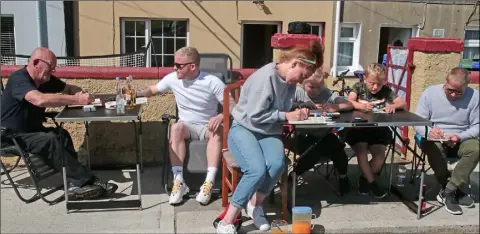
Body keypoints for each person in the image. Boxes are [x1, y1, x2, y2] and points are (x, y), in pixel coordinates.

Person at [216, 41, 324, 234]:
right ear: (295, 64)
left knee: (277, 164)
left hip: (268, 132)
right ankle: (227, 221)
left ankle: (255, 206)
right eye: (303, 76)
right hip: (244, 129)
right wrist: (286, 116)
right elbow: (255, 115)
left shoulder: (289, 81)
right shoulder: (265, 78)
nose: (301, 81)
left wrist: (312, 107)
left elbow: (299, 96)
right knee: (256, 170)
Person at [1, 47, 118, 200]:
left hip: (32, 132)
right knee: (49, 140)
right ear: (36, 63)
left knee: (61, 134)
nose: (53, 70)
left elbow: (68, 88)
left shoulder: (45, 79)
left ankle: (76, 182)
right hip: (11, 136)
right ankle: (85, 181)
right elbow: (39, 100)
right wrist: (76, 100)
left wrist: (80, 94)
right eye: (50, 66)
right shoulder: (19, 79)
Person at [136, 47, 227, 206]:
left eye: (179, 65)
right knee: (176, 127)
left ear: (192, 66)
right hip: (187, 126)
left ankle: (209, 182)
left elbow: (232, 106)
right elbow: (153, 90)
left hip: (207, 126)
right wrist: (132, 93)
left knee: (217, 130)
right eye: (174, 64)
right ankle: (179, 182)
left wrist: (220, 116)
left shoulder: (212, 82)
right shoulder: (173, 78)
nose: (174, 68)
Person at [414, 67, 479, 215]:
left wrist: (459, 137)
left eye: (459, 92)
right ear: (446, 80)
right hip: (435, 138)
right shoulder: (430, 93)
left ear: (467, 86)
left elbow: (477, 126)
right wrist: (430, 131)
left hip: (461, 138)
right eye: (450, 90)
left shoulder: (475, 97)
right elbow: (418, 122)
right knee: (434, 146)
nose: (454, 95)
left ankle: (449, 190)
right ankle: (450, 187)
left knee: (476, 148)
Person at [346, 63, 405, 198]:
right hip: (358, 128)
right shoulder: (358, 87)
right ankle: (373, 184)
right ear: (365, 79)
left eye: (378, 84)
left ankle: (364, 179)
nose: (375, 87)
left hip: (378, 129)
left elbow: (402, 102)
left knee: (379, 157)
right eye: (372, 83)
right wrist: (360, 106)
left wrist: (393, 106)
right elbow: (349, 102)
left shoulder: (385, 90)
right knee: (361, 153)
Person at [290, 70, 354, 195]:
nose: (315, 90)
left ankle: (343, 177)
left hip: (324, 134)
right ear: (303, 84)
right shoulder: (297, 92)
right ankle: (293, 175)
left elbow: (349, 104)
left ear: (323, 85)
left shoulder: (326, 93)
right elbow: (284, 105)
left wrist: (336, 107)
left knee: (339, 150)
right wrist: (300, 106)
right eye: (311, 87)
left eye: (318, 87)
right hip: (303, 135)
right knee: (313, 153)